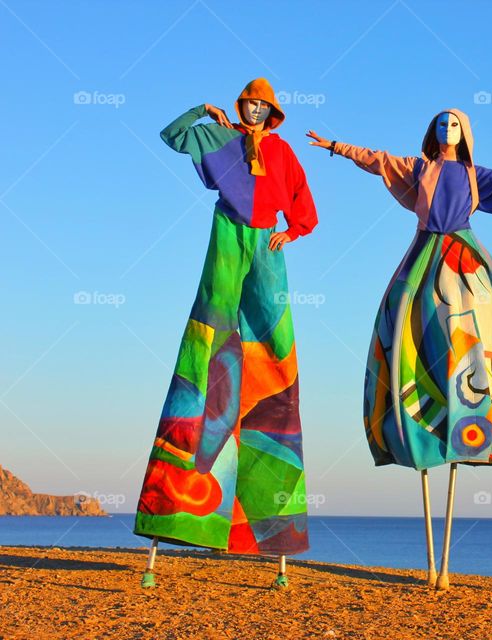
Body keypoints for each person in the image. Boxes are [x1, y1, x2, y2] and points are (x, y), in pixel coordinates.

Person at [307, 109, 492, 590]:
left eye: (454, 125)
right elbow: (377, 160)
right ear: (432, 132)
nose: (447, 130)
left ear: (465, 133)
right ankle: (414, 420)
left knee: (488, 321)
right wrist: (335, 147)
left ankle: (477, 413)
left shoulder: (475, 175)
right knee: (404, 325)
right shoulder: (419, 168)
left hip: (463, 255)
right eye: (441, 124)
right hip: (423, 255)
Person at [135, 78, 317, 588]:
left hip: (266, 241)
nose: (255, 110)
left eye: (263, 105)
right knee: (209, 337)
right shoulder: (222, 137)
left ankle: (270, 526)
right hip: (227, 232)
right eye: (249, 103)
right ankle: (182, 509)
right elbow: (172, 136)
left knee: (273, 356)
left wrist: (292, 231)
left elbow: (304, 202)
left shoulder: (281, 151)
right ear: (241, 106)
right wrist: (201, 109)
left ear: (272, 112)